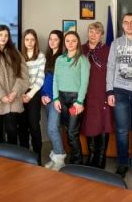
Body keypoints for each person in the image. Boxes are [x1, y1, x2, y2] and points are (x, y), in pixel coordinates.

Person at [106, 13, 132, 178]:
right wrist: (109, 91)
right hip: (120, 92)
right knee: (122, 130)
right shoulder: (116, 43)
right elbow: (110, 67)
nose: (129, 25)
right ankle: (122, 163)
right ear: (122, 25)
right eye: (126, 22)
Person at [52, 31, 90, 167]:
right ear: (64, 42)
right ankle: (73, 159)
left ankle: (78, 162)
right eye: (67, 41)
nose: (70, 43)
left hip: (75, 99)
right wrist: (55, 98)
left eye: (73, 40)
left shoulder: (83, 60)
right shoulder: (59, 59)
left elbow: (84, 82)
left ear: (78, 42)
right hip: (62, 98)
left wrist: (80, 101)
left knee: (72, 132)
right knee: (67, 130)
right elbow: (55, 80)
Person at [80, 22, 113, 169]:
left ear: (102, 35)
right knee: (90, 123)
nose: (93, 35)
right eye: (91, 31)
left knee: (103, 123)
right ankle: (92, 155)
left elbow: (113, 72)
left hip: (102, 92)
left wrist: (110, 92)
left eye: (97, 32)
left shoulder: (108, 50)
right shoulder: (81, 49)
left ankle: (101, 158)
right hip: (86, 93)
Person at [18, 29, 46, 163]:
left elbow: (40, 78)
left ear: (36, 41)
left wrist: (29, 94)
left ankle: (37, 157)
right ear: (23, 41)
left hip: (34, 93)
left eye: (32, 40)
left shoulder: (40, 56)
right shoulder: (18, 55)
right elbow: (16, 77)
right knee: (22, 126)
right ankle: (24, 156)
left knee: (34, 125)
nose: (29, 42)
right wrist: (21, 93)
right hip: (20, 93)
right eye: (27, 39)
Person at [41, 30, 66, 170]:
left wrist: (50, 96)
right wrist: (43, 95)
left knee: (52, 129)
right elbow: (44, 80)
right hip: (46, 99)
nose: (52, 41)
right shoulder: (48, 57)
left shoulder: (62, 58)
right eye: (50, 39)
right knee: (54, 129)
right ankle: (55, 157)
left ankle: (60, 160)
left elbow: (59, 82)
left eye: (55, 39)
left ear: (60, 41)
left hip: (56, 99)